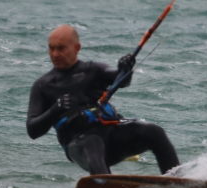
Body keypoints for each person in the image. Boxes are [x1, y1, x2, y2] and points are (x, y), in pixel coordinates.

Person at [26, 24, 180, 175]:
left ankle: (176, 179)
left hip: (112, 138)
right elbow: (32, 130)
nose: (55, 54)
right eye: (51, 48)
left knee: (154, 131)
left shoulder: (93, 70)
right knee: (92, 142)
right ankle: (104, 185)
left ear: (77, 48)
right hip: (79, 146)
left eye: (61, 48)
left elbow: (121, 80)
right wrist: (55, 109)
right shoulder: (43, 86)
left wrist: (125, 68)